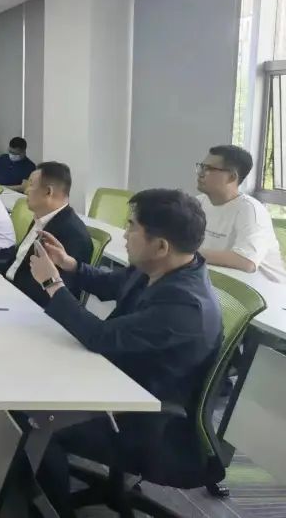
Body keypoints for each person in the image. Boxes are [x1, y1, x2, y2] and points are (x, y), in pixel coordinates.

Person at [29, 189, 223, 518]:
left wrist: (52, 284)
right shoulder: (163, 267)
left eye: (132, 226)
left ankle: (53, 510)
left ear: (161, 246)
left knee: (36, 425)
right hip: (118, 382)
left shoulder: (185, 305)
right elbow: (112, 284)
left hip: (146, 418)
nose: (124, 234)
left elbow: (100, 337)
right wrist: (69, 265)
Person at [4, 162, 93, 306]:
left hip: (30, 305)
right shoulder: (42, 217)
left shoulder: (74, 235)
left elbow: (55, 295)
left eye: (31, 184)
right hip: (10, 288)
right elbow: (18, 262)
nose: (26, 190)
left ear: (48, 192)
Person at [195, 144, 286, 283]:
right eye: (201, 166)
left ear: (232, 177)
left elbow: (245, 261)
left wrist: (188, 254)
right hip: (223, 285)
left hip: (264, 290)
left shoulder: (251, 210)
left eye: (209, 169)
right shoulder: (198, 203)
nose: (200, 173)